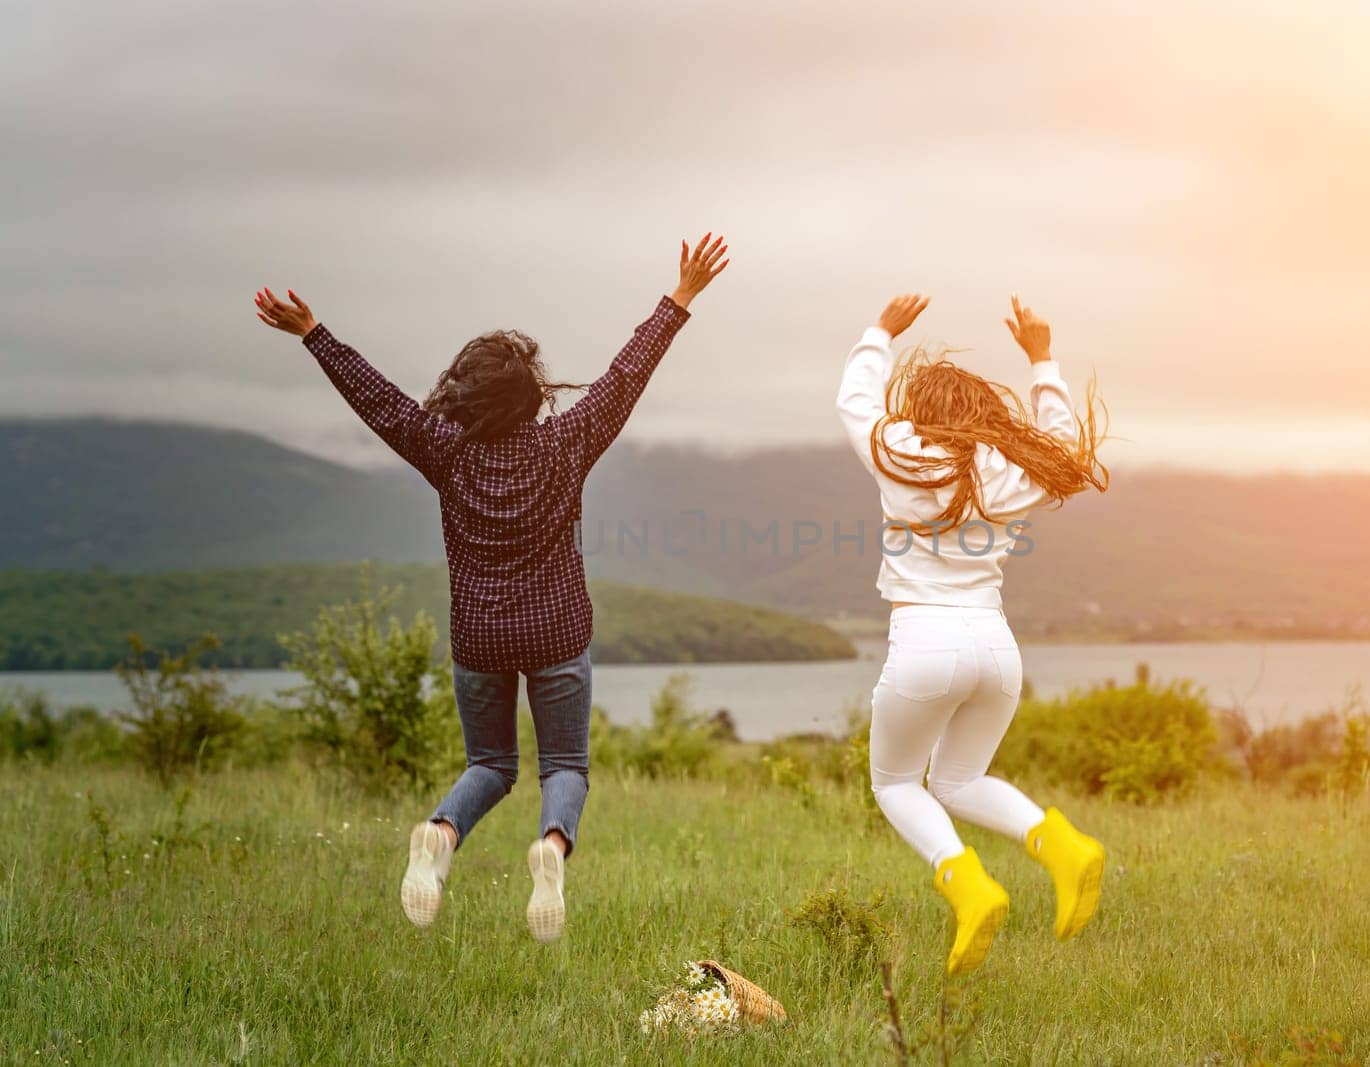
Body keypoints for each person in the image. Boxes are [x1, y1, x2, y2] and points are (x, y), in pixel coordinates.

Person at [252, 235, 730, 941]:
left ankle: (441, 835)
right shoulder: (566, 443)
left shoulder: (444, 450)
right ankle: (552, 846)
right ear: (530, 394)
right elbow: (626, 376)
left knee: (491, 763)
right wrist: (679, 297)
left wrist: (315, 335)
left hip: (478, 634)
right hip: (556, 630)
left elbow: (377, 400)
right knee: (563, 763)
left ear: (463, 395)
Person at [835, 293, 1109, 977]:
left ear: (920, 411)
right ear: (983, 412)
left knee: (897, 782)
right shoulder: (1012, 471)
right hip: (996, 648)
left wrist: (880, 333)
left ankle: (967, 882)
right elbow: (1067, 449)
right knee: (958, 779)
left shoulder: (901, 452)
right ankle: (1062, 845)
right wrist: (1042, 358)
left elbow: (854, 400)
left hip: (925, 643)